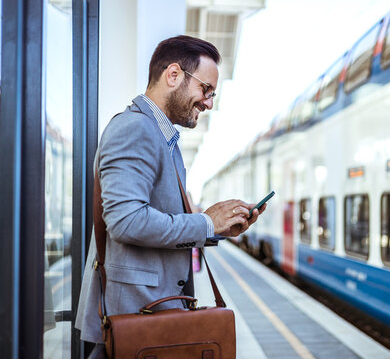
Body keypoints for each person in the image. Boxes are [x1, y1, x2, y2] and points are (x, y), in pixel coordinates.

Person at [75, 35, 265, 358]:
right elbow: (126, 221)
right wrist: (205, 223)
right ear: (174, 75)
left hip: (151, 321)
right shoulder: (135, 129)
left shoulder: (163, 139)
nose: (209, 103)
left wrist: (218, 227)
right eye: (206, 90)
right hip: (135, 323)